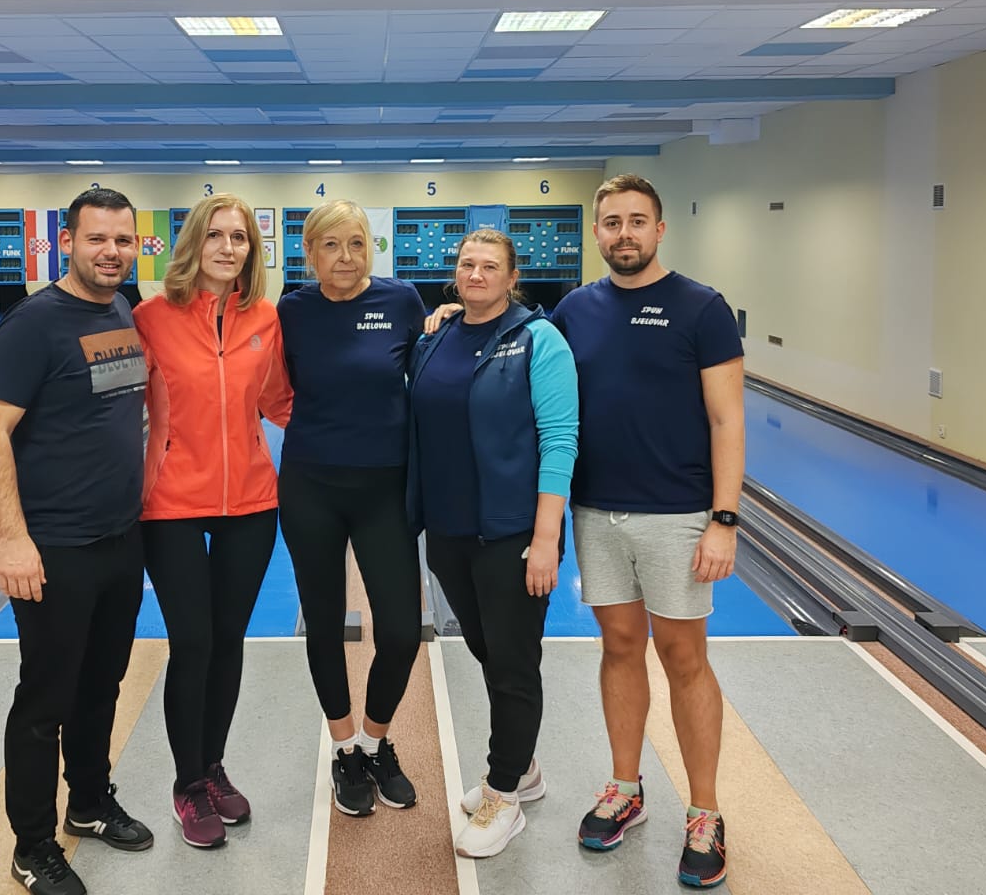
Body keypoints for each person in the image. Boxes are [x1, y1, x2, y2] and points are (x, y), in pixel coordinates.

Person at [550, 173, 743, 889]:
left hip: (678, 514)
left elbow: (726, 419)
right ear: (597, 232)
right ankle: (625, 788)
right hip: (597, 511)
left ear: (659, 230)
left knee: (684, 657)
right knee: (620, 647)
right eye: (612, 222)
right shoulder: (575, 309)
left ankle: (705, 811)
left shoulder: (702, 308)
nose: (623, 233)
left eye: (636, 221)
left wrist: (723, 520)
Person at [0, 187, 154, 895]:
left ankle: (89, 801)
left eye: (122, 240)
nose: (111, 252)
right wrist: (12, 538)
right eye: (97, 239)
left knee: (102, 684)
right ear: (68, 243)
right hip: (54, 548)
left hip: (119, 539)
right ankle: (32, 844)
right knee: (45, 698)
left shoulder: (121, 309)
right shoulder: (34, 323)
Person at [407, 228, 578, 859]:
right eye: (467, 264)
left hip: (512, 534)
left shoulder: (539, 339)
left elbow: (559, 439)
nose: (476, 274)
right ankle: (523, 768)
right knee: (487, 649)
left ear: (512, 277)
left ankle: (504, 793)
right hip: (450, 531)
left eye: (489, 266)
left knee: (511, 663)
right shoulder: (436, 336)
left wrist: (546, 538)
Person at [132, 193, 293, 849]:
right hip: (171, 502)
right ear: (194, 242)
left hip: (250, 502)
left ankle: (213, 765)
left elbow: (281, 402)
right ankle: (187, 785)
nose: (229, 247)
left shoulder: (265, 318)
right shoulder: (150, 318)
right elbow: (114, 406)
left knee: (228, 642)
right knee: (192, 643)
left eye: (241, 237)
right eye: (217, 235)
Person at [276, 200, 426, 817]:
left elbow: (432, 373)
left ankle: (374, 740)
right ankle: (344, 751)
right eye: (331, 245)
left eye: (357, 243)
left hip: (384, 489)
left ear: (372, 248)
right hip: (310, 487)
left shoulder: (402, 301)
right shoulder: (292, 310)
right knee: (324, 623)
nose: (345, 257)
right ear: (310, 253)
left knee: (401, 630)